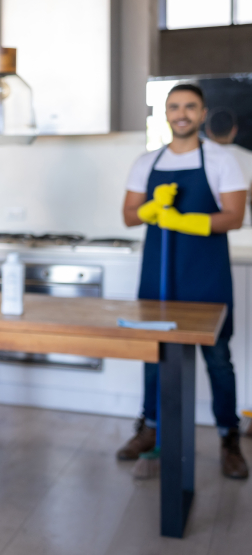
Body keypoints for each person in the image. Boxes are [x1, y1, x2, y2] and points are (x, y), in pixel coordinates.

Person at [120, 84, 248, 479]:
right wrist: (152, 209)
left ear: (202, 112)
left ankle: (228, 437)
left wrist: (182, 221)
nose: (181, 113)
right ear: (165, 113)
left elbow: (234, 216)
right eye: (174, 107)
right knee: (154, 356)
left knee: (218, 359)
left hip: (206, 276)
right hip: (158, 275)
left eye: (189, 107)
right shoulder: (146, 162)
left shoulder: (221, 160)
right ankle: (152, 429)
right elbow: (128, 216)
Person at [207, 107, 252, 226]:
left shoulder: (197, 158)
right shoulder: (248, 157)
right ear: (234, 130)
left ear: (208, 130)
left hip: (208, 227)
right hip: (243, 230)